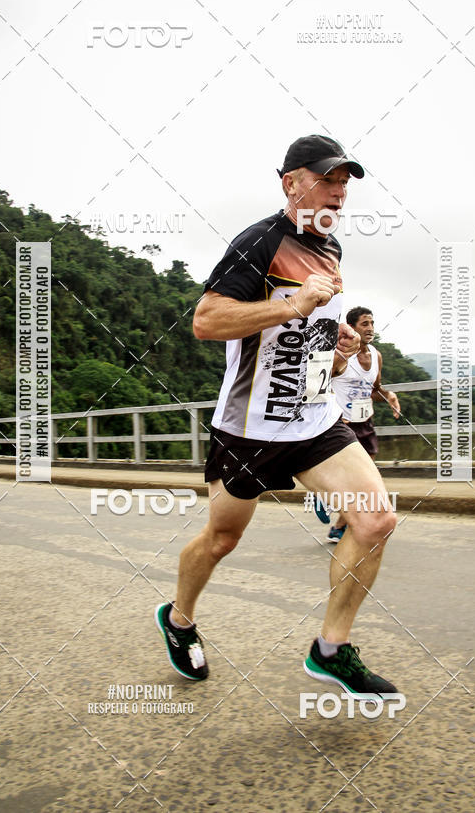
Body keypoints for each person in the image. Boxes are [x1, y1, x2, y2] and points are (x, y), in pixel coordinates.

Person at [155, 134, 399, 698]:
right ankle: (180, 619)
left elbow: (305, 326)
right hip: (251, 430)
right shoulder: (259, 242)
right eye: (325, 180)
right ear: (291, 183)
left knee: (375, 520)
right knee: (220, 540)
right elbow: (208, 321)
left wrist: (330, 338)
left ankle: (331, 651)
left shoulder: (332, 250)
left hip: (315, 420)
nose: (337, 193)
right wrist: (295, 304)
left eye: (343, 183)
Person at [325, 307, 401, 542]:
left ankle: (339, 526)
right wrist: (332, 413)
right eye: (364, 324)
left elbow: (373, 389)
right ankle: (327, 502)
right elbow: (318, 385)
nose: (370, 328)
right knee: (358, 481)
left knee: (366, 481)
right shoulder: (340, 356)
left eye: (372, 323)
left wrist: (388, 396)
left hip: (365, 423)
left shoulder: (376, 356)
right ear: (352, 328)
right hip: (342, 424)